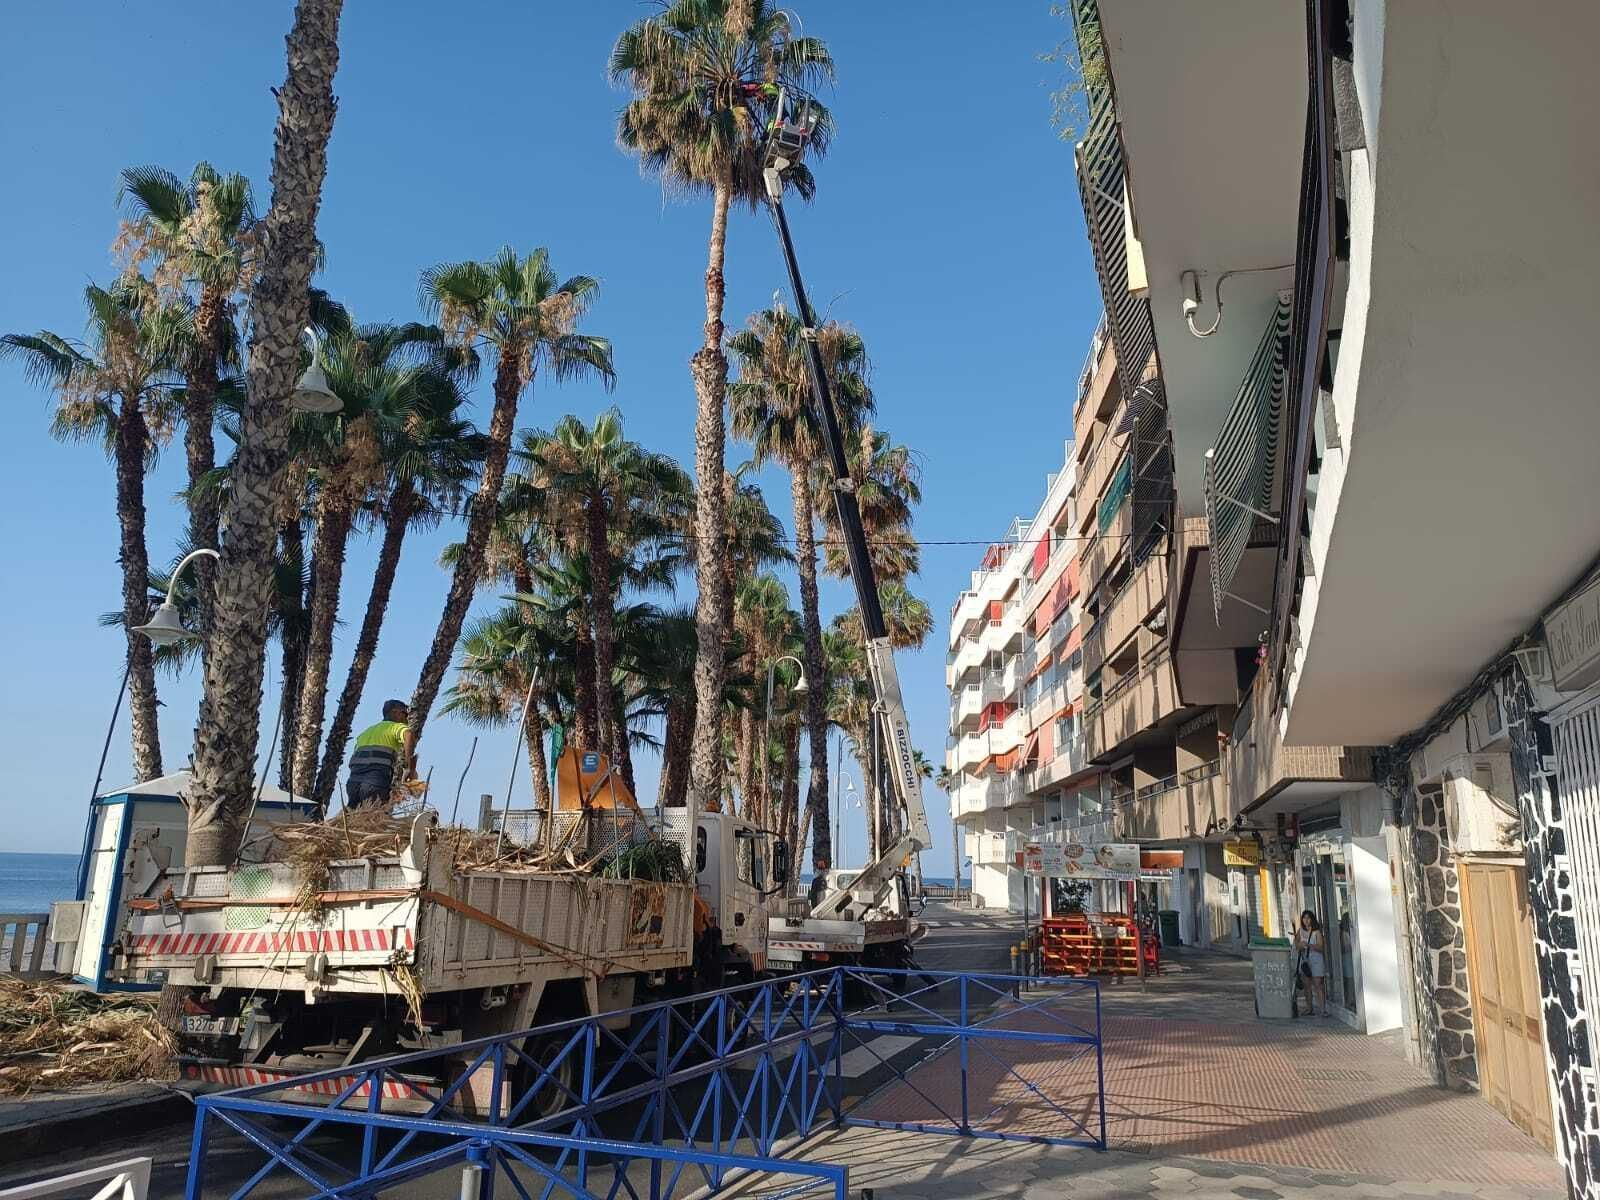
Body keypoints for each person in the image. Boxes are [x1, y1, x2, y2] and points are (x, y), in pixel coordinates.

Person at [345, 699, 417, 809]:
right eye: (404, 713)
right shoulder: (394, 727)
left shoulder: (366, 732)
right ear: (395, 712)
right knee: (375, 817)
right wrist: (410, 768)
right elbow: (409, 735)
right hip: (374, 782)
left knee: (353, 818)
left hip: (353, 784)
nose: (406, 718)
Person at [1295, 909, 1329, 1017]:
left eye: (1308, 918)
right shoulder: (1300, 931)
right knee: (1307, 986)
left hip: (1316, 961)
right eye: (1304, 918)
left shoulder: (1316, 932)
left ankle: (1323, 1009)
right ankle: (1309, 1008)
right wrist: (1300, 945)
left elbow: (1320, 947)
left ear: (1312, 919)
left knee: (1318, 984)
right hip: (1305, 962)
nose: (1306, 920)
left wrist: (1309, 945)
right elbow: (1296, 945)